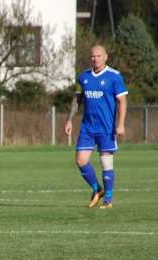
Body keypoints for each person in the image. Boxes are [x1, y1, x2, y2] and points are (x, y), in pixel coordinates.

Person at [64, 44, 128, 209]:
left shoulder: (114, 76)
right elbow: (77, 100)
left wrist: (120, 125)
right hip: (87, 128)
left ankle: (108, 199)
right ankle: (97, 189)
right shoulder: (83, 77)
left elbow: (122, 101)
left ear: (106, 57)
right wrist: (70, 120)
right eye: (93, 56)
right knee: (80, 160)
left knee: (106, 163)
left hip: (106, 128)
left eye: (99, 56)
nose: (95, 59)